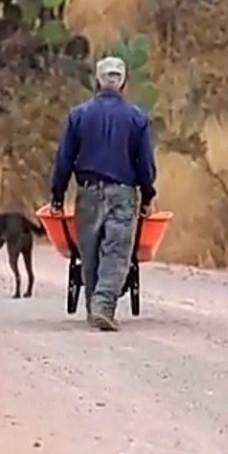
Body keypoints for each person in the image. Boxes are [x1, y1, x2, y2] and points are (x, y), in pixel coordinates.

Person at [50, 56, 157, 332]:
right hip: (123, 193)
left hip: (88, 193)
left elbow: (64, 159)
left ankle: (94, 306)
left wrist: (58, 196)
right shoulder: (137, 118)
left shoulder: (79, 115)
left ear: (98, 79)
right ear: (122, 82)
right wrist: (147, 195)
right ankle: (103, 305)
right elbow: (144, 163)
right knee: (117, 251)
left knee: (90, 251)